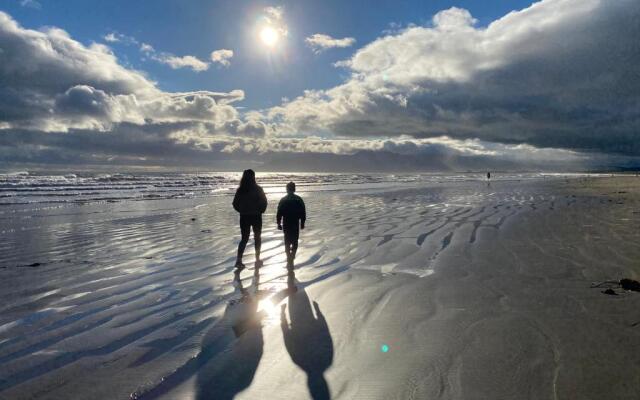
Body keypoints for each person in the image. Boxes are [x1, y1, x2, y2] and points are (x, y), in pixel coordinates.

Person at [232, 169, 267, 271]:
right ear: (253, 177)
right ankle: (257, 259)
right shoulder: (258, 189)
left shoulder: (240, 190)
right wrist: (261, 210)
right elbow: (264, 202)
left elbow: (235, 204)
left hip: (244, 217)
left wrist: (241, 210)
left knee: (244, 239)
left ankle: (239, 260)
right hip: (256, 216)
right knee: (257, 238)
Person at [277, 182, 306, 269]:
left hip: (286, 223)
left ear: (287, 189)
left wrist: (278, 223)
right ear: (294, 189)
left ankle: (289, 258)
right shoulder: (299, 199)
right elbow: (303, 212)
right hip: (295, 223)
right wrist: (302, 223)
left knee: (287, 242)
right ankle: (292, 257)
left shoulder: (283, 200)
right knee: (295, 241)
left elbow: (279, 213)